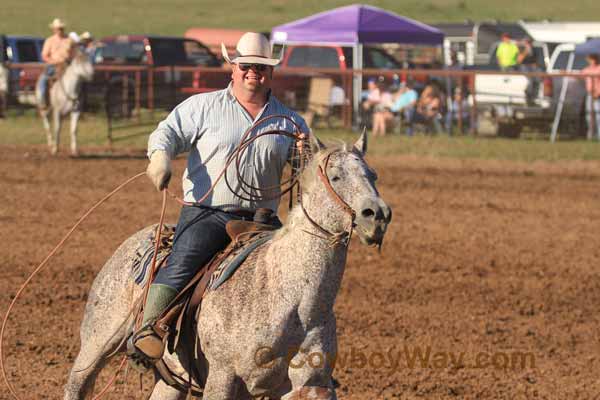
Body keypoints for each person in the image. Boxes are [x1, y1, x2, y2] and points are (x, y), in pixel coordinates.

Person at [128, 32, 309, 370]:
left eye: (261, 66)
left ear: (271, 72)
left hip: (263, 221)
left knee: (300, 272)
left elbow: (304, 176)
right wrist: (160, 157)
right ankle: (148, 327)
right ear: (233, 67)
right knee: (184, 261)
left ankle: (302, 350)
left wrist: (304, 154)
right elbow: (166, 133)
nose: (253, 72)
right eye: (246, 66)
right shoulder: (203, 106)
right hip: (207, 212)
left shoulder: (291, 121)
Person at [38, 18, 73, 107]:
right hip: (53, 65)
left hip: (67, 65)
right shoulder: (49, 41)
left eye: (61, 29)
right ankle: (42, 100)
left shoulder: (69, 40)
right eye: (57, 29)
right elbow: (44, 55)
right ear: (54, 30)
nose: (59, 31)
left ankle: (79, 102)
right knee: (43, 79)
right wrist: (53, 62)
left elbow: (73, 53)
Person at [582, 54, 600, 139]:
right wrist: (565, 72)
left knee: (598, 115)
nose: (592, 61)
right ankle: (591, 135)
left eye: (594, 58)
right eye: (591, 59)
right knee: (589, 115)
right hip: (590, 94)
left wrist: (598, 92)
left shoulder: (599, 68)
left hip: (598, 94)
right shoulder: (587, 70)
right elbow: (578, 75)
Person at [518, 38, 540, 105]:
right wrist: (525, 51)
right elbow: (519, 60)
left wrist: (536, 65)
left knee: (537, 81)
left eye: (530, 43)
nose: (529, 44)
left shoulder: (534, 49)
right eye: (528, 43)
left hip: (532, 67)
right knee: (530, 81)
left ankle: (533, 98)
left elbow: (535, 60)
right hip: (524, 66)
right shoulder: (522, 49)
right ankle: (527, 95)